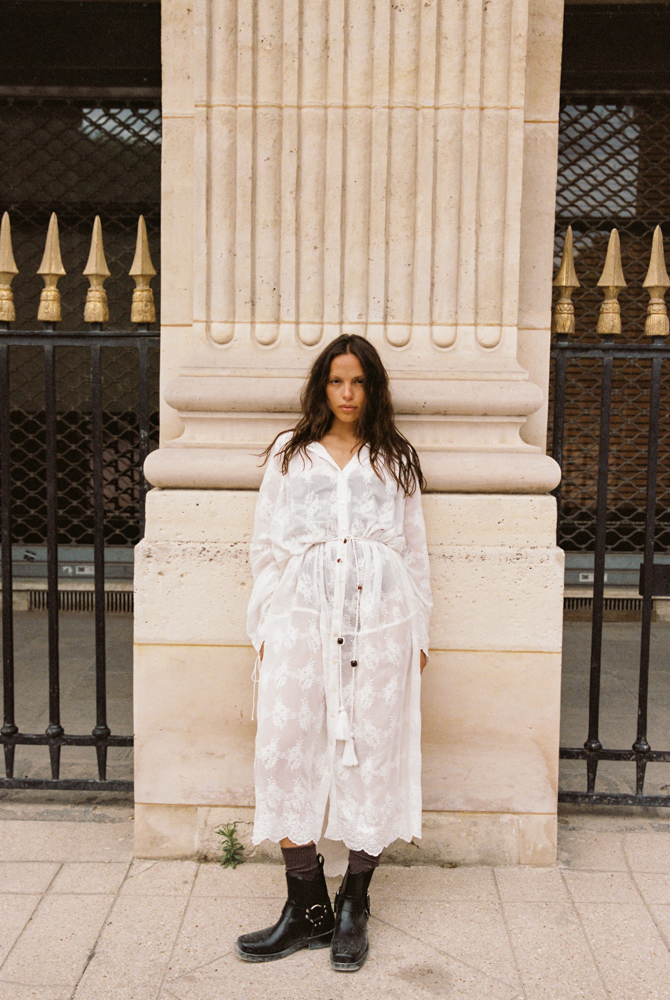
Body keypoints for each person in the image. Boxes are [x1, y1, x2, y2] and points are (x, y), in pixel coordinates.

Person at [234, 334, 432, 972]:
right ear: (322, 387)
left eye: (359, 383)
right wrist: (264, 626)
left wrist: (418, 634)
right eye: (336, 382)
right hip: (299, 619)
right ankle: (305, 905)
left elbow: (414, 552)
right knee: (285, 744)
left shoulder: (394, 458)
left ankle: (353, 904)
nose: (347, 395)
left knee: (372, 750)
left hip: (380, 623)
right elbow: (265, 547)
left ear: (373, 389)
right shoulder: (291, 458)